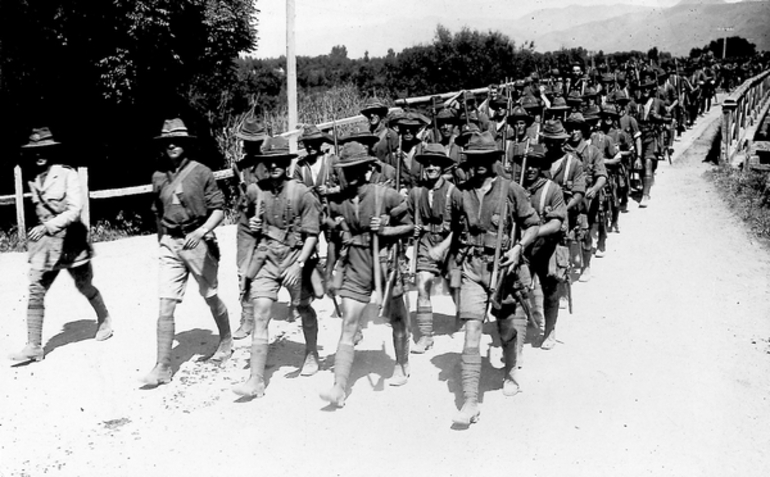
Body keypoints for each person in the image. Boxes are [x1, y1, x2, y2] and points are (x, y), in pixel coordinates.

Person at [450, 131, 540, 426]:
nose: (478, 164)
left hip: (503, 268)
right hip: (472, 268)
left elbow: (532, 225)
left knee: (504, 328)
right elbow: (454, 233)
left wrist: (518, 248)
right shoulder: (460, 192)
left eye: (484, 159)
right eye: (473, 159)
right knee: (472, 329)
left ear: (493, 160)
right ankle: (470, 401)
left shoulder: (511, 189)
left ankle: (511, 366)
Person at [320, 142, 413, 408]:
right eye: (345, 170)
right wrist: (329, 273)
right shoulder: (337, 202)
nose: (349, 175)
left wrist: (386, 228)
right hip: (356, 261)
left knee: (397, 316)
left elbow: (410, 227)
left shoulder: (387, 196)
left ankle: (401, 363)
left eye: (355, 169)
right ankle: (339, 386)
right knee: (349, 322)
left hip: (384, 261)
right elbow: (332, 240)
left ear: (367, 170)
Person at [10, 128, 113, 363]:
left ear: (51, 150)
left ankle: (104, 318)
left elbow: (75, 210)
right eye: (34, 151)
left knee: (84, 285)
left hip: (72, 244)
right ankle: (34, 345)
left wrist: (48, 226)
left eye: (43, 150)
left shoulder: (67, 175)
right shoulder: (34, 179)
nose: (39, 155)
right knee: (36, 289)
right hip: (46, 248)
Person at [142, 118, 231, 386]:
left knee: (210, 296)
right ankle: (163, 366)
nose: (172, 145)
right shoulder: (158, 176)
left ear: (185, 144)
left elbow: (219, 209)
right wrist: (164, 241)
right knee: (165, 303)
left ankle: (226, 339)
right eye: (167, 142)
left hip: (199, 241)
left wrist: (202, 231)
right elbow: (158, 213)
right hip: (171, 243)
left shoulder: (201, 172)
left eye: (177, 141)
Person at [232, 136, 323, 398]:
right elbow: (246, 227)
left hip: (296, 257)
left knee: (303, 307)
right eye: (269, 162)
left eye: (279, 161)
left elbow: (312, 234)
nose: (274, 166)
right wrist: (247, 254)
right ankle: (256, 379)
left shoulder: (301, 193)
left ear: (287, 163)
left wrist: (301, 263)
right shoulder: (254, 191)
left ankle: (312, 353)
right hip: (266, 257)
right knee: (260, 311)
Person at [407, 144, 457, 353]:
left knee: (456, 284)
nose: (430, 167)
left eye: (435, 164)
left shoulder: (454, 192)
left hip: (451, 243)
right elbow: (406, 219)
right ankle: (426, 335)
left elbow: (462, 226)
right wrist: (412, 229)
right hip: (426, 242)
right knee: (422, 284)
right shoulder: (416, 193)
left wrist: (445, 246)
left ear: (443, 167)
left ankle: (463, 319)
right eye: (427, 164)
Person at [518, 145, 567, 351]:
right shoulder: (516, 188)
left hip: (546, 246)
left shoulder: (552, 189)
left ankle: (549, 330)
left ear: (541, 167)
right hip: (521, 248)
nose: (530, 169)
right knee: (518, 288)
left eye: (535, 165)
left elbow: (557, 223)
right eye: (527, 165)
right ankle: (527, 320)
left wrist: (535, 232)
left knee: (550, 291)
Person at [232, 117, 268, 340]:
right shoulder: (238, 166)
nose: (249, 146)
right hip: (246, 224)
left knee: (274, 267)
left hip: (268, 222)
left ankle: (296, 303)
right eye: (246, 142)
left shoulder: (270, 163)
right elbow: (239, 194)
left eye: (253, 142)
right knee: (243, 270)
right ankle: (246, 318)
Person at [563, 113, 606, 281]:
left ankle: (586, 266)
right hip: (566, 198)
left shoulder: (592, 151)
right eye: (571, 129)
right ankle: (565, 271)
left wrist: (595, 188)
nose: (574, 132)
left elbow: (602, 175)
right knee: (565, 235)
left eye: (577, 129)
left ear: (583, 131)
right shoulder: (563, 150)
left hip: (586, 202)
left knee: (586, 234)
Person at [633, 78, 670, 207]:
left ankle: (645, 195)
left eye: (648, 88)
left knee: (648, 163)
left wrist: (658, 117)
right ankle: (645, 185)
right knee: (641, 165)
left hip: (652, 136)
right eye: (643, 88)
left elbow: (669, 118)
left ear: (652, 89)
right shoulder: (636, 104)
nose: (645, 90)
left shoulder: (658, 103)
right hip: (638, 137)